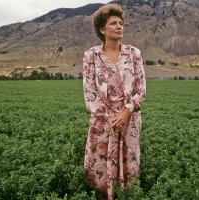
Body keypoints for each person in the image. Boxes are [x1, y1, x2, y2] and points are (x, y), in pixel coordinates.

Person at [82, 3, 146, 200]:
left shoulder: (134, 53)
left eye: (121, 23)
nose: (119, 26)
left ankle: (126, 195)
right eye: (113, 23)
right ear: (102, 29)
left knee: (129, 160)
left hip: (129, 119)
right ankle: (101, 195)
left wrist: (126, 112)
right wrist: (110, 116)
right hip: (103, 120)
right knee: (99, 163)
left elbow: (140, 87)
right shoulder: (91, 56)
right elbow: (89, 91)